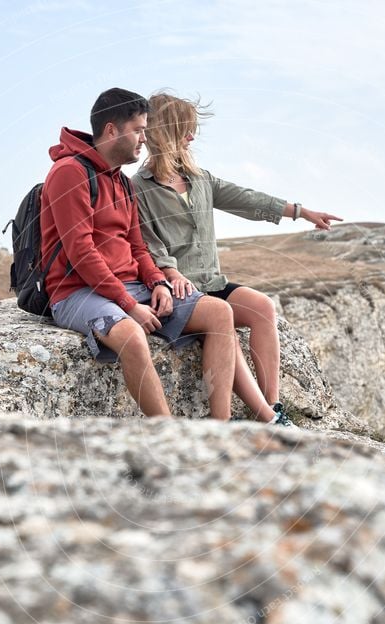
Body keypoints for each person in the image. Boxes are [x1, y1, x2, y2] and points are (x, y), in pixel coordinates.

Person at [132, 92, 343, 423]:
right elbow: (146, 241)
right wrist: (171, 273)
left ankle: (273, 408)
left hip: (213, 281)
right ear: (169, 131)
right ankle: (249, 420)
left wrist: (301, 212)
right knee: (224, 324)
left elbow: (246, 199)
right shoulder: (138, 187)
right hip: (183, 292)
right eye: (187, 129)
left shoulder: (201, 179)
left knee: (263, 308)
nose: (192, 136)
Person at [40, 87, 238, 420]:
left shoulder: (123, 183)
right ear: (111, 130)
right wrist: (129, 306)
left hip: (129, 286)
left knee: (219, 313)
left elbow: (138, 247)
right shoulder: (69, 173)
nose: (145, 138)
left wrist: (158, 282)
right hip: (76, 292)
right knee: (132, 336)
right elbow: (81, 252)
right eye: (138, 129)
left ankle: (219, 431)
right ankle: (168, 436)